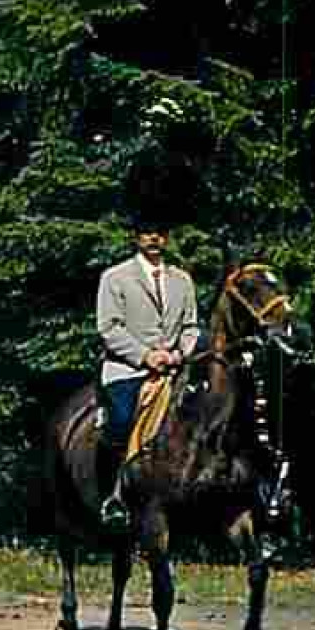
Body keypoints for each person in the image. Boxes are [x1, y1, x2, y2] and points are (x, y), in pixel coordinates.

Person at [95, 215, 201, 529]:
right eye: (147, 232)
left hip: (174, 370)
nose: (154, 238)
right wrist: (145, 356)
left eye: (160, 232)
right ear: (136, 238)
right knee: (121, 421)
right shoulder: (114, 277)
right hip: (127, 369)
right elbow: (109, 327)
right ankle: (112, 495)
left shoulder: (182, 279)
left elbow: (191, 326)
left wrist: (181, 352)